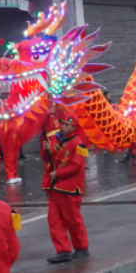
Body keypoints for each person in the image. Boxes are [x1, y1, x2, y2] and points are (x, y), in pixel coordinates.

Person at [43, 112, 89, 263]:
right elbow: (47, 159)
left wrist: (58, 174)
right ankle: (63, 250)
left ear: (73, 126)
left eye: (66, 125)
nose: (62, 127)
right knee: (54, 220)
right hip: (55, 187)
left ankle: (81, 247)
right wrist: (46, 150)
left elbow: (76, 166)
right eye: (62, 124)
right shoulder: (56, 140)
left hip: (69, 188)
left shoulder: (79, 144)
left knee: (72, 220)